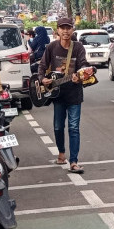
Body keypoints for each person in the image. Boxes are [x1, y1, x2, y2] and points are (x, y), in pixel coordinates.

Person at [39, 17, 94, 174]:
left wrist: (82, 72)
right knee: (57, 127)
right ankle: (62, 152)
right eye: (62, 28)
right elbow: (42, 66)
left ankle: (74, 161)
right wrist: (42, 79)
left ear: (72, 30)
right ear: (57, 30)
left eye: (68, 28)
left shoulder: (78, 47)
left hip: (74, 94)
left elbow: (83, 63)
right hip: (57, 95)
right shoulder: (51, 47)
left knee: (74, 127)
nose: (65, 31)